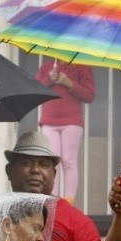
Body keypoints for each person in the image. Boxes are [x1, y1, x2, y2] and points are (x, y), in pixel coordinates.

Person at [35, 59, 95, 205]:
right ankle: (52, 200)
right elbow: (36, 90)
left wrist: (69, 83)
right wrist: (50, 78)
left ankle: (69, 201)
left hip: (72, 121)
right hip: (49, 121)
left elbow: (89, 95)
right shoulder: (47, 67)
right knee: (52, 162)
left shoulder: (82, 67)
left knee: (68, 161)